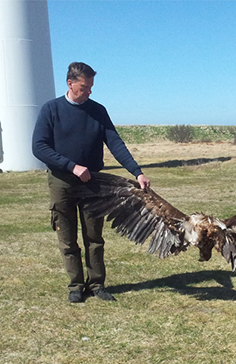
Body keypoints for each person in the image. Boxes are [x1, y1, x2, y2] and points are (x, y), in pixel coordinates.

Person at [33, 62, 150, 303]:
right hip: (62, 182)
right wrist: (71, 166)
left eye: (91, 87)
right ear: (70, 83)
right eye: (85, 87)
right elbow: (39, 147)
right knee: (67, 238)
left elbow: (115, 143)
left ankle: (97, 284)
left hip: (93, 184)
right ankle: (76, 286)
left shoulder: (98, 111)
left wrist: (137, 172)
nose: (89, 92)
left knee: (94, 237)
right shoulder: (51, 109)